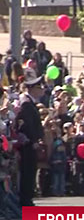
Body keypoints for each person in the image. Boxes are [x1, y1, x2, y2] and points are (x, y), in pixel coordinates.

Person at [16, 70, 45, 206]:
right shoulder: (26, 103)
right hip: (27, 145)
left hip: (31, 143)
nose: (42, 90)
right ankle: (25, 201)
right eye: (39, 87)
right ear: (32, 88)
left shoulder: (30, 102)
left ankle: (28, 199)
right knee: (27, 171)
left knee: (31, 171)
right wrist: (33, 140)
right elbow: (27, 125)